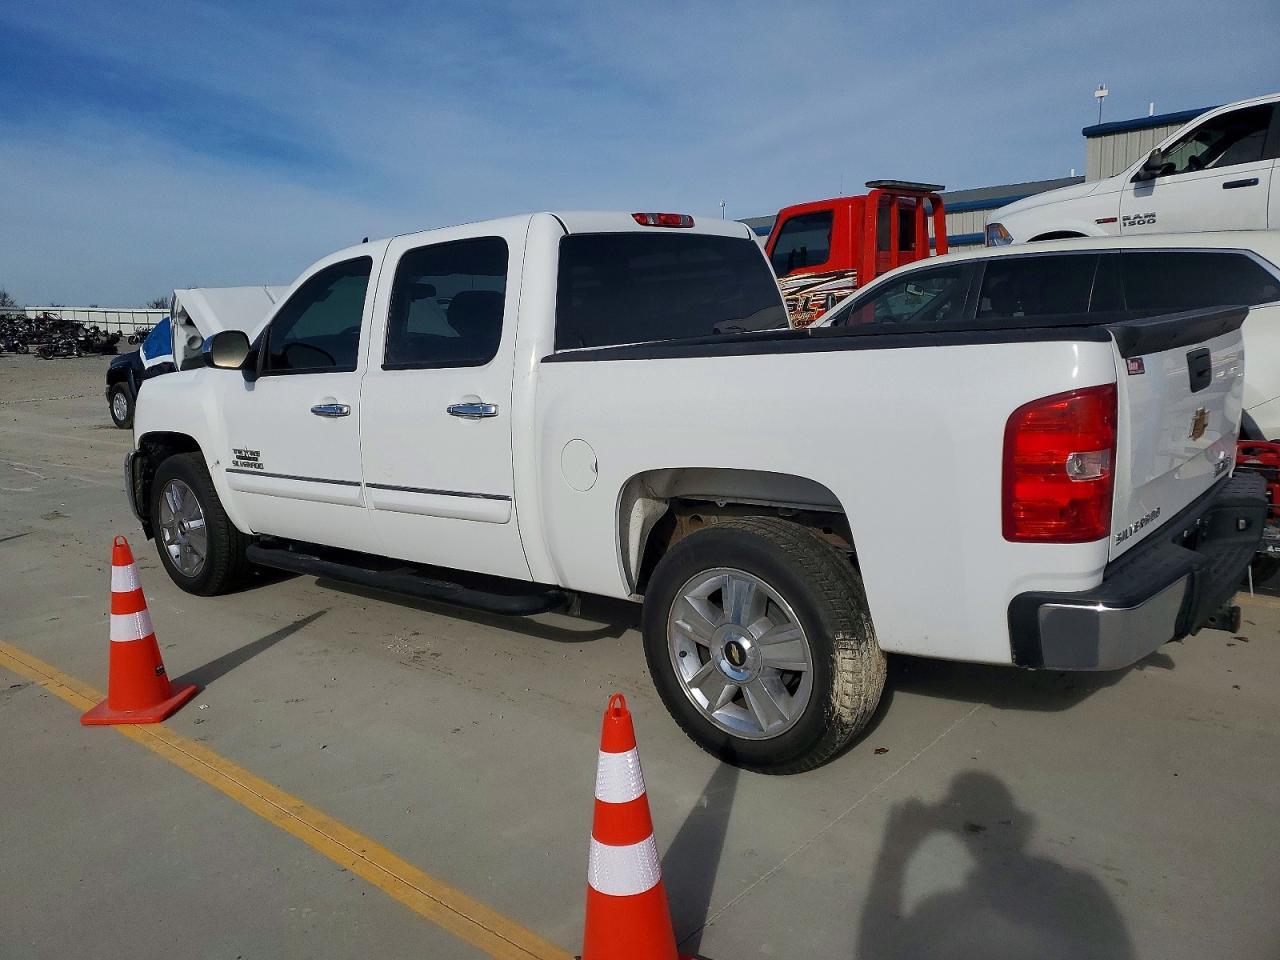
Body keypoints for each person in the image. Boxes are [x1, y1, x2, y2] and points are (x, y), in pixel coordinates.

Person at [858, 772, 1132, 960]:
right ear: (1021, 825)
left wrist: (895, 854)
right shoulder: (1083, 893)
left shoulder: (945, 918)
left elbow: (876, 951)